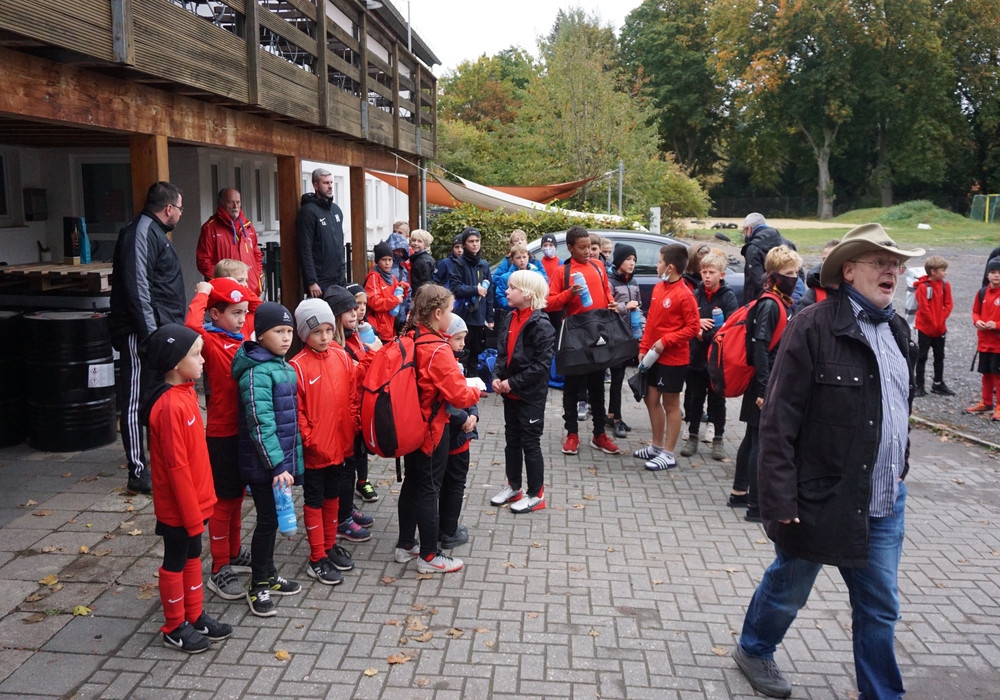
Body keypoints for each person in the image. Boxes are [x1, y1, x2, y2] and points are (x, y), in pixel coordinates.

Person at [732, 223, 922, 700]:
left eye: (895, 264)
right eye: (880, 262)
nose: (891, 271)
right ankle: (754, 648)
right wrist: (779, 497)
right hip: (819, 497)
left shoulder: (899, 330)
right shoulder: (812, 326)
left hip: (883, 499)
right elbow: (778, 421)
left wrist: (899, 467)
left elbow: (899, 409)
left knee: (879, 607)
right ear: (849, 271)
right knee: (790, 587)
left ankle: (882, 694)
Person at [139, 324, 231, 654]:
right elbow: (176, 468)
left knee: (193, 556)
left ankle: (194, 615)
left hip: (197, 502)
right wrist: (192, 515)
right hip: (179, 508)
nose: (203, 360)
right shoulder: (168, 406)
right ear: (176, 363)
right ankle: (174, 626)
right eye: (196, 355)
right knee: (175, 561)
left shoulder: (187, 392)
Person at [392, 284, 482, 574]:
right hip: (432, 429)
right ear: (438, 313)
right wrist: (476, 390)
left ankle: (406, 544)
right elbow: (459, 395)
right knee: (430, 488)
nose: (452, 316)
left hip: (409, 425)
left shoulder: (410, 336)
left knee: (412, 483)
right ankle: (429, 556)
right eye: (451, 310)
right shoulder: (438, 349)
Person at [109, 181, 187, 495]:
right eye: (179, 208)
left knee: (156, 397)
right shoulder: (141, 232)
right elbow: (137, 288)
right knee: (133, 401)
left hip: (159, 332)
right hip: (140, 334)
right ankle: (137, 471)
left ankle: (158, 459)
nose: (181, 214)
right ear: (168, 208)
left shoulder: (155, 234)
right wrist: (151, 334)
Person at [184, 277, 254, 601]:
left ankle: (234, 552)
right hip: (222, 434)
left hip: (244, 432)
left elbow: (256, 306)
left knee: (237, 496)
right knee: (223, 502)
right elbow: (190, 328)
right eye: (236, 313)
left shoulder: (240, 338)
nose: (242, 318)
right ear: (215, 314)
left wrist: (238, 285)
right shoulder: (211, 341)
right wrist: (204, 293)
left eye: (244, 312)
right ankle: (219, 566)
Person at [232, 302, 303, 616]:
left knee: (273, 519)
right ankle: (258, 584)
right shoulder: (256, 372)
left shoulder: (281, 365)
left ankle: (269, 574)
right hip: (264, 465)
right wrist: (276, 466)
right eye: (278, 331)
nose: (286, 338)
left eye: (289, 331)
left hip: (278, 465)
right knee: (266, 522)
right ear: (260, 335)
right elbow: (261, 424)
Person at [731, 245, 802, 520]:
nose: (794, 278)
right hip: (765, 381)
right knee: (760, 442)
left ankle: (739, 492)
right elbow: (761, 347)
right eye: (788, 273)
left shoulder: (776, 301)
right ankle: (755, 506)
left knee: (752, 437)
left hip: (763, 380)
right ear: (773, 275)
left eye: (796, 272)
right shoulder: (771, 304)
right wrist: (764, 389)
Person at [290, 298, 357, 586]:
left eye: (329, 330)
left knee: (334, 496)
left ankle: (329, 546)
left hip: (340, 445)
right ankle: (317, 557)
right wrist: (310, 439)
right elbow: (297, 411)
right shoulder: (297, 366)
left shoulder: (341, 357)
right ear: (304, 334)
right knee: (315, 500)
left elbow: (352, 395)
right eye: (317, 332)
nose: (325, 337)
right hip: (316, 450)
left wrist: (352, 426)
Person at [546, 225, 622, 457]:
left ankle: (599, 434)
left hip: (598, 332)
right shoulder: (563, 271)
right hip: (575, 335)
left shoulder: (599, 266)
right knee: (572, 387)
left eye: (589, 246)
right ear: (570, 248)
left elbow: (606, 291)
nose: (588, 251)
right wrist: (569, 294)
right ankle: (572, 434)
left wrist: (611, 302)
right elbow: (549, 304)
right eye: (582, 247)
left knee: (597, 386)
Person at [490, 270, 555, 513]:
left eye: (512, 288)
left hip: (530, 396)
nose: (507, 292)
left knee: (530, 443)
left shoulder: (542, 325)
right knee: (512, 441)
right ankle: (514, 486)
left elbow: (541, 366)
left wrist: (513, 383)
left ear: (527, 294)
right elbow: (502, 354)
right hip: (511, 394)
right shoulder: (509, 317)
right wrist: (497, 377)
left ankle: (536, 494)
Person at [633, 244, 701, 471]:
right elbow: (652, 321)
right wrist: (644, 346)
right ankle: (656, 446)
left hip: (674, 360)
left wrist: (666, 341)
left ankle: (669, 454)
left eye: (659, 261)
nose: (656, 265)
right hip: (653, 357)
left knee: (671, 404)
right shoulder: (658, 288)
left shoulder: (685, 294)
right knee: (650, 399)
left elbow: (692, 328)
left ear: (670, 267)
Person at [322, 287, 375, 544]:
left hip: (354, 414)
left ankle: (346, 508)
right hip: (342, 419)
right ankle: (341, 519)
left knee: (351, 466)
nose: (355, 313)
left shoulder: (353, 338)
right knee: (344, 470)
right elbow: (351, 376)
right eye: (349, 309)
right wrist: (371, 360)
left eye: (357, 308)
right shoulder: (334, 347)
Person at [680, 250, 739, 460]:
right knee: (695, 398)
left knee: (717, 400)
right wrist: (696, 327)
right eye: (704, 272)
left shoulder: (728, 297)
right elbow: (685, 321)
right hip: (696, 358)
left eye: (711, 272)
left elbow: (730, 328)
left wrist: (703, 334)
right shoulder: (695, 294)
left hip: (717, 359)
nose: (706, 276)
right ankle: (692, 436)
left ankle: (718, 439)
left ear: (721, 275)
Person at [439, 314, 479, 548]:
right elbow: (450, 401)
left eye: (464, 338)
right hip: (454, 437)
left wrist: (474, 413)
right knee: (454, 483)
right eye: (457, 339)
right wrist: (466, 417)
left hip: (458, 431)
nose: (462, 344)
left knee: (449, 483)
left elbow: (466, 389)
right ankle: (449, 530)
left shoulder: (455, 362)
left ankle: (445, 526)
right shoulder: (447, 364)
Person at [340, 283, 382, 505]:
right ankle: (345, 505)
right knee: (351, 452)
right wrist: (373, 353)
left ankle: (362, 481)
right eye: (356, 305)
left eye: (364, 304)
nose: (361, 309)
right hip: (350, 405)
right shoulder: (341, 341)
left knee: (362, 447)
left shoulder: (360, 332)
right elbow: (356, 371)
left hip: (362, 401)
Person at [196, 188, 263, 296]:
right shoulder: (210, 228)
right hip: (225, 292)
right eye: (230, 202)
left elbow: (257, 254)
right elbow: (203, 261)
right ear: (221, 203)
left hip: (250, 289)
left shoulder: (248, 226)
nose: (235, 206)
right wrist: (221, 281)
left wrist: (257, 275)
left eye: (238, 202)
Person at [448, 227, 494, 378]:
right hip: (463, 315)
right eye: (471, 241)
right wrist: (475, 289)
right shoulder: (458, 264)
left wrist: (490, 317)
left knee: (475, 352)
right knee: (461, 352)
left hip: (479, 316)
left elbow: (489, 293)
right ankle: (459, 380)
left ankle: (474, 381)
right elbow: (455, 288)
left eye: (477, 241)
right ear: (464, 244)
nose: (475, 244)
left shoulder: (484, 265)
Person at [606, 244, 642, 439]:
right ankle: (616, 418)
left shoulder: (633, 281)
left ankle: (612, 415)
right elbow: (608, 306)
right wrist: (625, 306)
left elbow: (639, 306)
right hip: (614, 336)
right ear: (619, 260)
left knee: (619, 378)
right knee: (617, 376)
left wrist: (642, 328)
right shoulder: (610, 281)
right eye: (628, 259)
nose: (632, 263)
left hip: (629, 335)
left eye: (634, 260)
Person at [297, 168, 346, 297]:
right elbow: (305, 249)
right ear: (316, 186)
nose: (330, 186)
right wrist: (311, 281)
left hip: (338, 279)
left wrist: (343, 274)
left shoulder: (336, 210)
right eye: (325, 183)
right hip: (320, 282)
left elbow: (340, 244)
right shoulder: (308, 212)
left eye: (331, 182)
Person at [913, 255, 955, 397]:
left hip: (940, 329)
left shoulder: (945, 285)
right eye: (943, 270)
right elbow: (924, 308)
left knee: (939, 356)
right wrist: (934, 322)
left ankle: (938, 383)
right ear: (933, 271)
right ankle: (919, 385)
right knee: (922, 356)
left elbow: (949, 303)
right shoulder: (923, 287)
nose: (945, 273)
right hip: (925, 329)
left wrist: (941, 319)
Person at [967, 257, 1000, 418]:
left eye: (999, 272)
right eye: (993, 272)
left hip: (998, 344)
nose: (997, 275)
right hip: (984, 342)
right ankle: (986, 403)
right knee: (986, 373)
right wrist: (977, 321)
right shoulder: (981, 293)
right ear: (988, 275)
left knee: (998, 375)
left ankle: (999, 406)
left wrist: (997, 325)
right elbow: (975, 312)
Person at [740, 212, 796, 304]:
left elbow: (756, 281)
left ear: (749, 229)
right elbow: (799, 274)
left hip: (761, 302)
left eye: (744, 231)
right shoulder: (788, 244)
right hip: (789, 300)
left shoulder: (753, 248)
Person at [365, 241, 408, 342]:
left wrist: (404, 289)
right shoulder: (374, 277)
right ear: (377, 261)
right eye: (384, 260)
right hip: (379, 327)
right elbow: (374, 302)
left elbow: (400, 298)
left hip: (390, 325)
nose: (387, 263)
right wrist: (395, 300)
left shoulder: (392, 277)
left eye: (390, 260)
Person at [792, 239, 840, 314]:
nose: (826, 264)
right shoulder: (812, 297)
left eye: (832, 259)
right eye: (824, 260)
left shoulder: (854, 290)